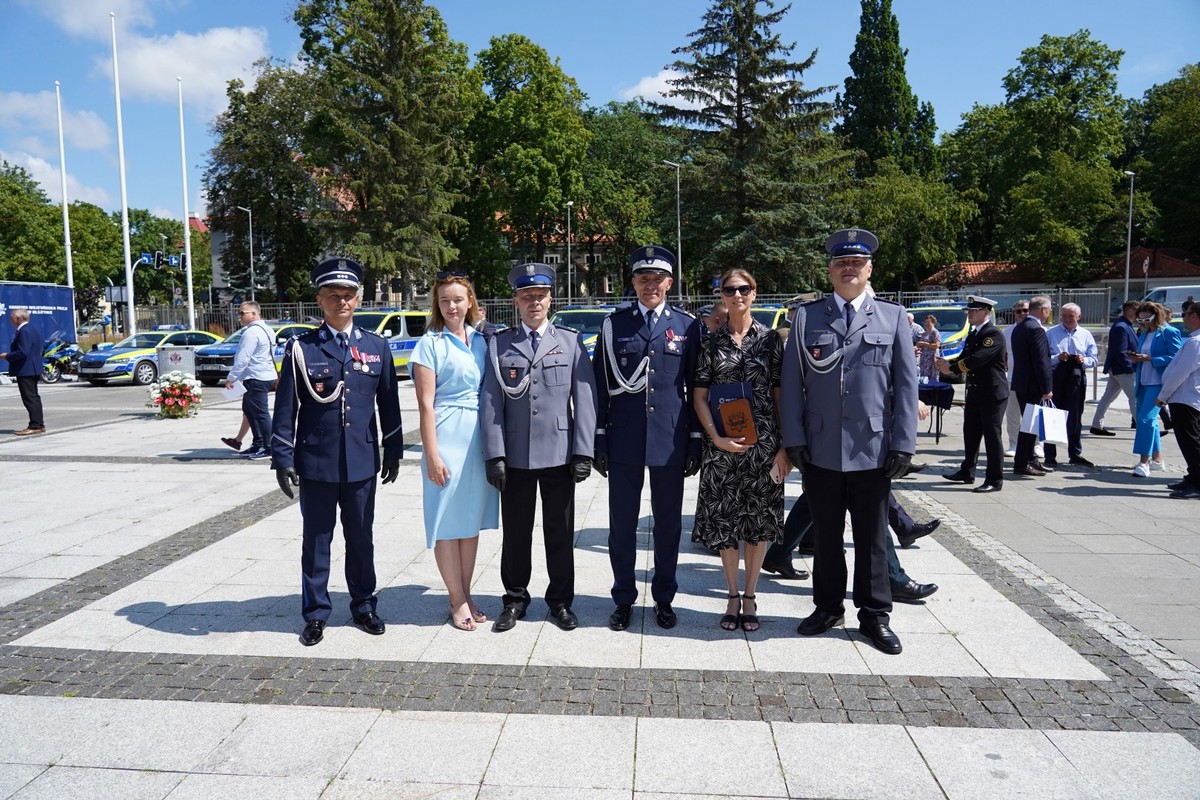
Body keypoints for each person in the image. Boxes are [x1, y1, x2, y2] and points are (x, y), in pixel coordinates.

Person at [781, 227, 917, 655]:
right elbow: (791, 384)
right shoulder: (806, 317)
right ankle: (827, 607)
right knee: (825, 536)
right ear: (830, 270)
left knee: (873, 538)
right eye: (842, 263)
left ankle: (875, 615)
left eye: (856, 264)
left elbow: (906, 386)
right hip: (821, 448)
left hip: (873, 449)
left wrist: (904, 444)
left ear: (868, 269)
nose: (849, 269)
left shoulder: (893, 317)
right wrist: (794, 439)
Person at [270, 257, 404, 647]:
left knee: (361, 537)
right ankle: (315, 613)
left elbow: (389, 405)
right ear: (320, 300)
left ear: (358, 300)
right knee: (316, 539)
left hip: (362, 461)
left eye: (348, 295)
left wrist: (393, 448)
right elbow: (286, 409)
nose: (341, 302)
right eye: (333, 296)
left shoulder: (376, 347)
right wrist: (283, 457)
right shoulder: (302, 348)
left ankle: (364, 605)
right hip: (316, 461)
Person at [481, 263, 596, 633]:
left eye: (540, 296)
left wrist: (583, 451)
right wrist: (494, 454)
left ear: (550, 300)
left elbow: (585, 401)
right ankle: (515, 599)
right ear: (516, 300)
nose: (534, 302)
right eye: (527, 296)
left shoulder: (570, 341)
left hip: (560, 454)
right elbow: (490, 402)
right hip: (515, 456)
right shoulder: (499, 343)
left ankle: (561, 601)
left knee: (560, 533)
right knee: (516, 534)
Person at [593, 246, 701, 631]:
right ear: (633, 283)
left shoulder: (688, 327)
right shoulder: (614, 325)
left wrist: (693, 439)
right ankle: (623, 597)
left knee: (668, 524)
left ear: (669, 283)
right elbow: (601, 388)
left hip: (669, 440)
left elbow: (694, 387)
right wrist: (599, 439)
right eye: (643, 279)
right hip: (624, 439)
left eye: (657, 279)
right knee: (621, 524)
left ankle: (664, 597)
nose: (650, 285)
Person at [692, 268, 789, 632]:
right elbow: (699, 396)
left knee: (759, 523)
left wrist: (785, 448)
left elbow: (780, 396)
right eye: (730, 290)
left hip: (762, 447)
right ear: (722, 295)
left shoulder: (770, 341)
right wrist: (715, 436)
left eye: (743, 289)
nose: (737, 295)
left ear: (754, 292)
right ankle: (732, 595)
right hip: (722, 449)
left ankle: (750, 595)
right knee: (725, 523)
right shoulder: (710, 343)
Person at [411, 273, 500, 631]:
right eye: (445, 300)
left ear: (470, 301)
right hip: (446, 435)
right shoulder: (430, 343)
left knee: (469, 521)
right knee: (446, 521)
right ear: (437, 304)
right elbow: (425, 405)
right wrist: (432, 454)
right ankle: (455, 599)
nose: (452, 306)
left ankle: (466, 591)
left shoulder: (482, 340)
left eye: (458, 299)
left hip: (478, 439)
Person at [939, 296, 1009, 492]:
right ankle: (967, 472)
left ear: (986, 312)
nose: (969, 314)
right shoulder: (973, 334)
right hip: (976, 392)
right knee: (970, 434)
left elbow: (978, 359)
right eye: (969, 311)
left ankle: (995, 479)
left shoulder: (992, 334)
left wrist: (952, 368)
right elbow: (964, 356)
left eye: (973, 311)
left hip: (992, 393)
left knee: (992, 437)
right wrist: (945, 364)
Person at [1130, 302, 1182, 477]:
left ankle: (1143, 462)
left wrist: (1151, 359)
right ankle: (1157, 459)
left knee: (1145, 420)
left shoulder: (1169, 332)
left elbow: (1176, 357)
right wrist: (1136, 358)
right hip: (1143, 381)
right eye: (1140, 319)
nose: (1143, 322)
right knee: (1149, 421)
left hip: (1158, 382)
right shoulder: (1145, 334)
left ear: (1156, 315)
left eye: (1147, 318)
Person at [1043, 303, 1098, 467]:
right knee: (1052, 416)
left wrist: (1084, 360)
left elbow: (1094, 359)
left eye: (1071, 316)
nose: (1067, 319)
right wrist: (1057, 358)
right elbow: (1044, 357)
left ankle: (1075, 453)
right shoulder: (1051, 333)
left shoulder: (1085, 334)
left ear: (1078, 317)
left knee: (1075, 417)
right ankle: (1050, 456)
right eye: (1064, 316)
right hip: (1056, 377)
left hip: (1076, 378)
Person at [225, 301, 277, 461]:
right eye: (239, 313)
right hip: (266, 375)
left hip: (255, 377)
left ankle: (269, 447)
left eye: (243, 313)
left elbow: (243, 358)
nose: (240, 316)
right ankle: (258, 443)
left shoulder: (251, 333)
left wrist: (231, 377)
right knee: (249, 411)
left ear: (254, 314)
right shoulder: (268, 330)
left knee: (260, 414)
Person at [1158, 304, 1200, 498]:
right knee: (1191, 441)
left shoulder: (1195, 342)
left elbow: (1180, 373)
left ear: (1195, 316)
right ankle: (1192, 478)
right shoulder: (1193, 340)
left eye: (1186, 314)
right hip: (1190, 397)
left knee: (1190, 442)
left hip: (1186, 398)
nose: (1183, 318)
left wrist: (1163, 395)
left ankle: (1197, 483)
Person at [1011, 295, 1055, 477]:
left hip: (1021, 383)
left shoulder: (1020, 327)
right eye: (1049, 310)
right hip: (1032, 385)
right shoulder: (1036, 329)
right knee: (1030, 426)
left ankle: (1031, 459)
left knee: (1030, 424)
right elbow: (1041, 361)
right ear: (1044, 310)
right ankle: (1022, 462)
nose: (1049, 313)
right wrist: (1047, 388)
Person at [1091, 301, 1139, 436]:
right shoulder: (1122, 327)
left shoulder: (1124, 325)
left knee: (1107, 397)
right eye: (1138, 311)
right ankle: (1145, 429)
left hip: (1118, 369)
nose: (1140, 314)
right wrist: (1130, 368)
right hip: (1123, 369)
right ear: (1130, 311)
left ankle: (1096, 425)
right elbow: (1121, 351)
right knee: (1134, 398)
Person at [1002, 300, 1042, 462]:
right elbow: (1003, 354)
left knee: (1033, 415)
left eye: (1025, 310)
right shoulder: (1008, 331)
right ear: (1014, 314)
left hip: (1032, 381)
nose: (1022, 314)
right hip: (1012, 377)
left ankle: (1037, 445)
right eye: (1019, 311)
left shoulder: (1039, 329)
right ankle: (1013, 444)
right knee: (1012, 414)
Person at [1, 308, 45, 436]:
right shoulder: (31, 329)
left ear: (18, 319)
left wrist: (7, 356)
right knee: (34, 398)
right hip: (32, 368)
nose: (10, 319)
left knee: (29, 398)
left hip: (26, 369)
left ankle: (35, 425)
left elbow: (23, 352)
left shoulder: (24, 331)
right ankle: (39, 424)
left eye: (12, 317)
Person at [914, 314, 941, 382]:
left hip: (932, 358)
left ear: (933, 323)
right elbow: (919, 344)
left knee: (933, 377)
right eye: (925, 322)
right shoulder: (924, 333)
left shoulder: (935, 332)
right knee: (924, 378)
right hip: (924, 358)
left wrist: (924, 344)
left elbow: (936, 345)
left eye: (928, 322)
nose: (926, 324)